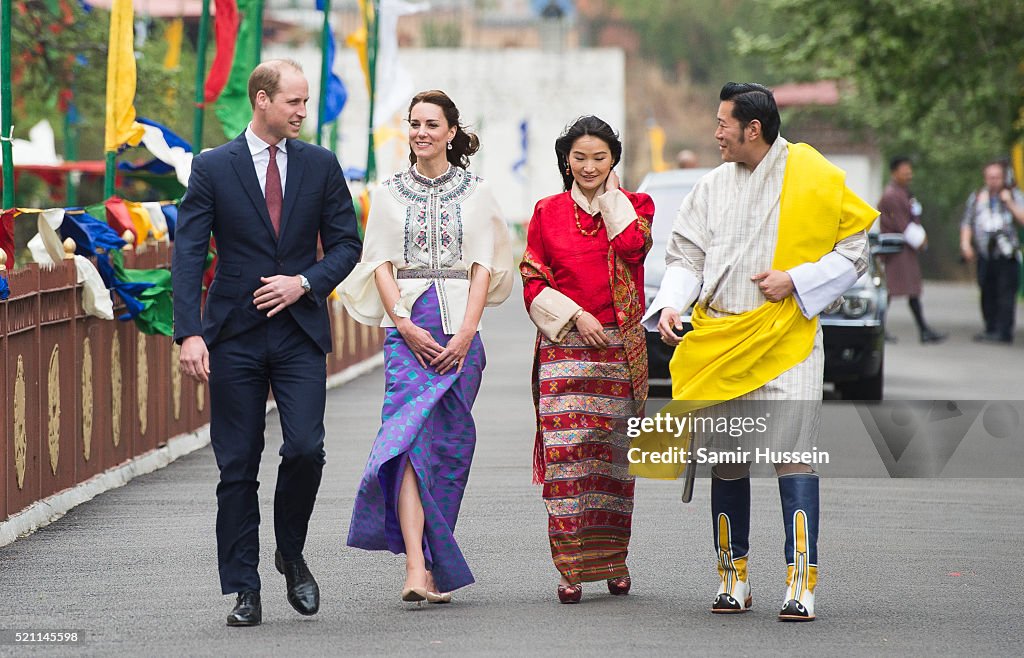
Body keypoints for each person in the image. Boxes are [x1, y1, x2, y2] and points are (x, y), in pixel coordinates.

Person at [643, 83, 877, 621]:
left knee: (793, 457)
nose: (715, 133)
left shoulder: (813, 176)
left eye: (723, 123)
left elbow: (854, 253)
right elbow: (685, 257)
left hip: (787, 336)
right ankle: (733, 579)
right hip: (721, 338)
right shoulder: (710, 186)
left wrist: (795, 279)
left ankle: (800, 585)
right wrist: (674, 303)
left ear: (753, 129)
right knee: (727, 462)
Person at [172, 60, 362, 626]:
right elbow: (188, 253)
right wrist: (189, 333)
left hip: (300, 330)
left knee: (305, 448)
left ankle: (291, 550)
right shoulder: (212, 167)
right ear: (262, 100)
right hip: (233, 334)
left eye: (304, 103)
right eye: (295, 102)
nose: (304, 112)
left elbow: (346, 245)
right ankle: (244, 588)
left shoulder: (321, 165)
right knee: (238, 464)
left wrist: (304, 281)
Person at [340, 90, 514, 604]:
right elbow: (380, 265)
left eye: (431, 124)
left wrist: (465, 331)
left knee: (449, 448)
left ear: (451, 132)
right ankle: (416, 566)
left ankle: (435, 562)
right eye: (413, 124)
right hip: (407, 331)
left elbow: (486, 266)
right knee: (408, 445)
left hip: (461, 330)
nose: (421, 132)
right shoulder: (388, 192)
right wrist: (403, 323)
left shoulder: (478, 192)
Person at [521, 116, 654, 604]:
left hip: (618, 352)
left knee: (613, 462)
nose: (590, 166)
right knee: (567, 461)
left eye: (600, 157)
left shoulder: (636, 207)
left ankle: (615, 561)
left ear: (613, 159)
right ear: (566, 160)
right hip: (564, 351)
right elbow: (533, 280)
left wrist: (613, 199)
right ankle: (571, 569)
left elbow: (633, 249)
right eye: (580, 157)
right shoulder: (547, 211)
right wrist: (576, 317)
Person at [877, 156, 946, 343]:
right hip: (896, 250)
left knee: (909, 291)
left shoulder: (903, 192)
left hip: (904, 249)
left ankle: (923, 329)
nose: (909, 175)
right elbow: (902, 224)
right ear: (894, 173)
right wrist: (920, 240)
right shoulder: (892, 195)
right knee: (890, 291)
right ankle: (879, 329)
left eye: (910, 171)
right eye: (905, 172)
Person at [960, 160, 1024, 344]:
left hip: (1006, 254)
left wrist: (1009, 203)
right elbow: (967, 222)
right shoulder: (978, 197)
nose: (994, 181)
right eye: (990, 177)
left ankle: (1004, 331)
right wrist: (966, 244)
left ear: (1004, 178)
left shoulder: (1014, 196)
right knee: (986, 291)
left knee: (1006, 294)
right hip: (985, 254)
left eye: (997, 177)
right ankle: (991, 328)